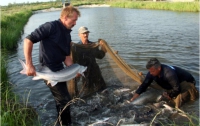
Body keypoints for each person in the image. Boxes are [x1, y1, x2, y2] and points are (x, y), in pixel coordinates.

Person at [23, 6, 80, 126]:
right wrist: (29, 64)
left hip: (60, 70)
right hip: (47, 69)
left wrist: (74, 70)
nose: (75, 23)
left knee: (63, 99)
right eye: (74, 20)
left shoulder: (67, 35)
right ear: (65, 17)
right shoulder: (50, 26)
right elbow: (28, 40)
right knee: (64, 100)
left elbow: (67, 57)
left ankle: (65, 122)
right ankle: (64, 124)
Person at [129, 58, 198, 108]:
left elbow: (177, 89)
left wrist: (170, 95)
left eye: (152, 71)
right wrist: (133, 98)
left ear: (159, 68)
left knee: (177, 104)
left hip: (186, 83)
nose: (150, 73)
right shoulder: (151, 73)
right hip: (173, 82)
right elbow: (144, 85)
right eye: (149, 71)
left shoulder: (169, 73)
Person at [71, 26, 107, 97]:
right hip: (85, 72)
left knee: (104, 89)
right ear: (79, 35)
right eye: (83, 33)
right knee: (88, 92)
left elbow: (100, 56)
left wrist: (103, 48)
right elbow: (74, 62)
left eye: (87, 33)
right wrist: (77, 72)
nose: (85, 35)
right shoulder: (76, 47)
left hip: (95, 70)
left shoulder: (93, 45)